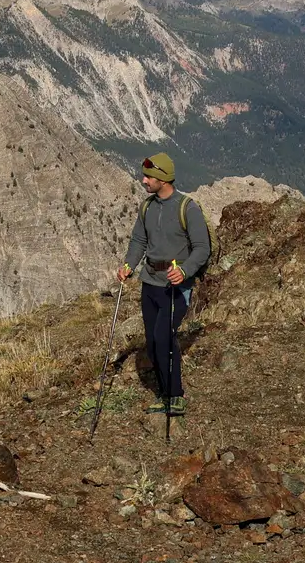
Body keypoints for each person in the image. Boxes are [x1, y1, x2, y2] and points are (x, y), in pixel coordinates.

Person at [117, 152, 210, 417]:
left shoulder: (187, 208)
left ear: (163, 179)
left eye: (149, 177)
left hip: (176, 287)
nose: (144, 180)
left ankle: (175, 396)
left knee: (163, 338)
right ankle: (163, 393)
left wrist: (185, 271)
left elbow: (202, 249)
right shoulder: (147, 207)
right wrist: (128, 265)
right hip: (149, 283)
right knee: (152, 340)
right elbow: (138, 241)